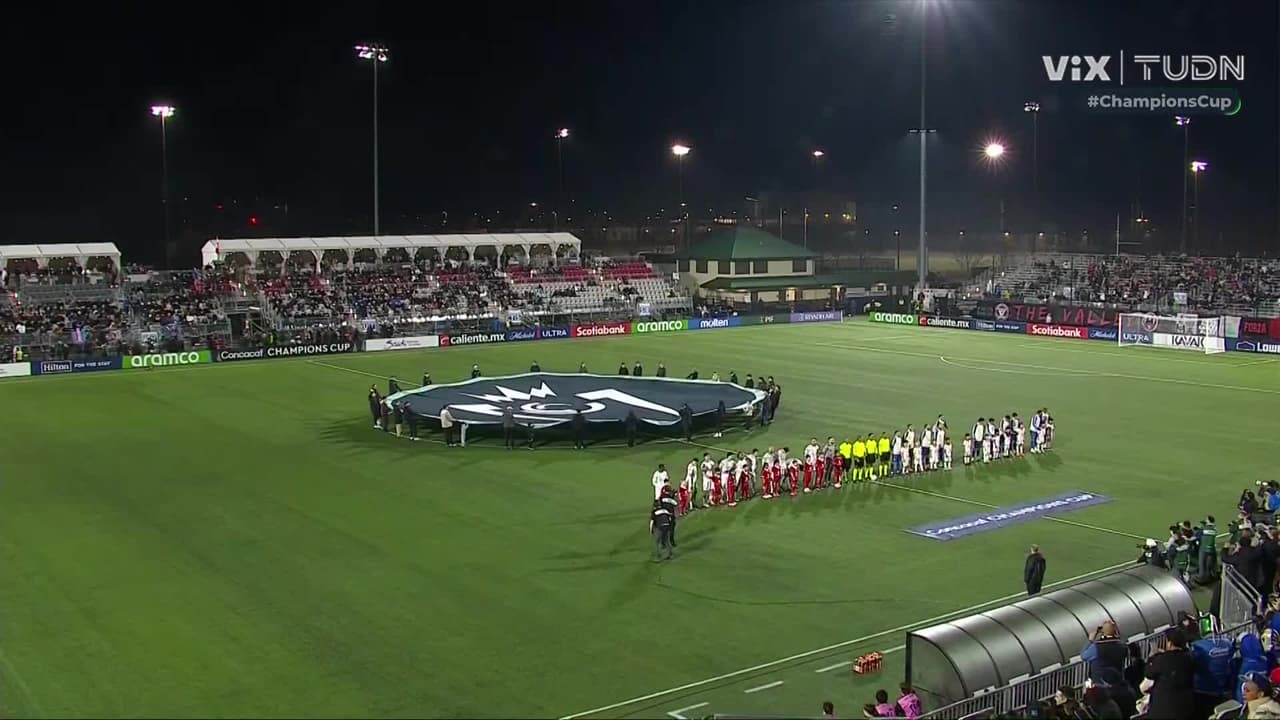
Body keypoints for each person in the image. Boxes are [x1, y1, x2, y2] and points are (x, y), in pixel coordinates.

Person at [1144, 628, 1196, 720]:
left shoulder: (1161, 660)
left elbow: (1149, 673)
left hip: (1164, 709)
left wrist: (1152, 658)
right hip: (1186, 707)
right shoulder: (1190, 657)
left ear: (1170, 643)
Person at [1081, 619, 1126, 685]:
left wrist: (1090, 640)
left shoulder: (1097, 646)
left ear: (1102, 631)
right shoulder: (1122, 646)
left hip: (1100, 682)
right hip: (1117, 681)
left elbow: (1084, 656)